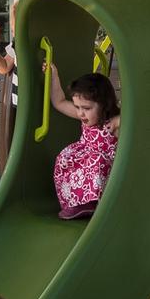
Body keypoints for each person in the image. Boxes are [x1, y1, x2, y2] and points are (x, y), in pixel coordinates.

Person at [49, 66, 120, 218]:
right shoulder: (84, 115)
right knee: (64, 158)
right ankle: (75, 204)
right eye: (77, 107)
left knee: (96, 160)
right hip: (84, 161)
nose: (80, 113)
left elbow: (138, 117)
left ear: (104, 104)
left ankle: (92, 202)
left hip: (106, 170)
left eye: (86, 108)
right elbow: (59, 102)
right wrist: (54, 75)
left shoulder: (112, 124)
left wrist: (118, 120)